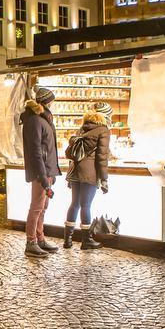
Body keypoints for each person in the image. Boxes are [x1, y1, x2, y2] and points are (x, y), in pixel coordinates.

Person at [63, 103, 111, 250]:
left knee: (74, 204)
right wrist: (104, 178)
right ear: (105, 115)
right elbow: (102, 157)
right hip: (89, 172)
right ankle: (87, 240)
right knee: (86, 205)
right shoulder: (103, 130)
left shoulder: (83, 127)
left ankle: (67, 240)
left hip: (75, 170)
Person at [20, 87, 61, 258]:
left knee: (43, 206)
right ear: (46, 102)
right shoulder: (35, 120)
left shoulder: (43, 119)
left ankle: (40, 238)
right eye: (51, 100)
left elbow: (47, 148)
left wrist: (53, 171)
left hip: (47, 170)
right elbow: (36, 150)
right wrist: (43, 175)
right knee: (36, 207)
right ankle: (31, 242)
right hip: (40, 171)